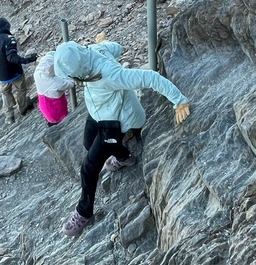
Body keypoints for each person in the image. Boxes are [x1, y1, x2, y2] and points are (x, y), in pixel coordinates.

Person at [53, 40, 191, 237]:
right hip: (100, 112)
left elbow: (150, 77)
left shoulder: (110, 74)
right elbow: (118, 47)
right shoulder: (92, 51)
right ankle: (124, 157)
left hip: (116, 121)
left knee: (89, 167)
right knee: (88, 141)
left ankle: (84, 212)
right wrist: (104, 44)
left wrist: (179, 101)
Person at [0, 18, 37, 123]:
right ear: (6, 26)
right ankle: (23, 108)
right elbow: (12, 58)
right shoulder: (8, 38)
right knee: (21, 89)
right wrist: (28, 59)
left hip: (1, 75)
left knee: (5, 93)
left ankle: (9, 116)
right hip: (14, 72)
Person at [33, 51, 75, 126]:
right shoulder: (56, 82)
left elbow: (42, 65)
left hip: (44, 107)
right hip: (57, 110)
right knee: (63, 126)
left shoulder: (37, 74)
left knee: (51, 124)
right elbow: (71, 83)